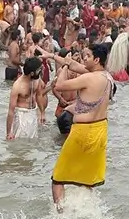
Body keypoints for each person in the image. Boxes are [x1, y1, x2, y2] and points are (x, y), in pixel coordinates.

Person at [44, 42, 114, 208]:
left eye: (87, 56)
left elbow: (59, 85)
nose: (84, 59)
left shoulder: (88, 78)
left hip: (82, 131)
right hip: (101, 130)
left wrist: (63, 70)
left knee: (58, 178)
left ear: (97, 59)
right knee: (88, 179)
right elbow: (76, 65)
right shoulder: (106, 76)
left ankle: (60, 214)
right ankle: (88, 210)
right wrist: (53, 56)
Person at [9, 56, 46, 139]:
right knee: (20, 143)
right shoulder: (17, 86)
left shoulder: (37, 79)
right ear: (32, 73)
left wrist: (42, 113)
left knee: (32, 143)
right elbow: (11, 110)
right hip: (21, 115)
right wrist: (9, 133)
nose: (40, 71)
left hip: (33, 113)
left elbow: (39, 95)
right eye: (39, 70)